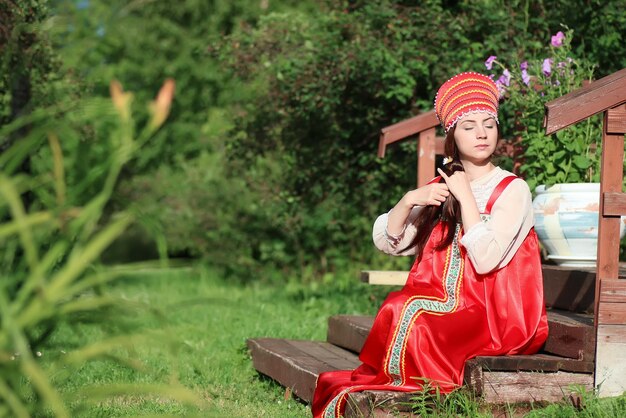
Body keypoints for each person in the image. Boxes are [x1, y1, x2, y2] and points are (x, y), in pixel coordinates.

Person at [311, 72, 549, 418]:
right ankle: (396, 387)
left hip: (496, 312)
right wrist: (409, 200)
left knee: (418, 316)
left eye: (488, 124)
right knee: (397, 305)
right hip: (449, 299)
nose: (481, 133)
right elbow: (392, 243)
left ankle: (422, 397)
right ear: (452, 135)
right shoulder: (443, 184)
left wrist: (466, 199)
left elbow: (486, 260)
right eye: (468, 126)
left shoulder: (513, 189)